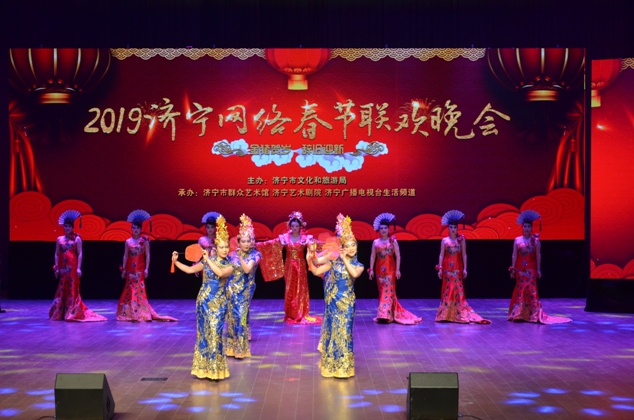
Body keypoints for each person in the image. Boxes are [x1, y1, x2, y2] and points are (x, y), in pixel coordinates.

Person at [172, 215, 235, 380]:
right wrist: (176, 262)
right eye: (221, 247)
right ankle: (203, 369)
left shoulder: (230, 265)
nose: (224, 250)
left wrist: (207, 260)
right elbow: (190, 270)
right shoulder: (208, 261)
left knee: (215, 334)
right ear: (216, 247)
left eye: (226, 247)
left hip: (219, 303)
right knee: (204, 334)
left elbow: (220, 273)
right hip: (203, 302)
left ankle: (216, 370)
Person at [308, 214, 364, 379]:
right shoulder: (333, 262)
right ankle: (332, 365)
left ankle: (344, 368)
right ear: (342, 247)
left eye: (353, 245)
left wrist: (344, 259)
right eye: (347, 246)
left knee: (344, 333)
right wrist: (310, 257)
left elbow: (354, 274)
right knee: (333, 332)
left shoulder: (359, 265)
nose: (351, 248)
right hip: (333, 302)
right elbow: (316, 270)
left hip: (347, 304)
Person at [256, 211, 321, 324]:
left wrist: (332, 245)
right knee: (290, 287)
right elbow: (271, 244)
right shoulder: (285, 238)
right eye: (293, 226)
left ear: (300, 227)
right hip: (289, 265)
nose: (294, 228)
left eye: (297, 226)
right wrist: (256, 245)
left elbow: (318, 245)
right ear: (290, 226)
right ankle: (291, 313)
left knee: (300, 287)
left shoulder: (305, 238)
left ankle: (300, 312)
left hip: (300, 265)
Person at [508, 210, 572, 324]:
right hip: (520, 269)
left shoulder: (535, 241)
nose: (526, 228)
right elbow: (514, 255)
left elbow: (538, 255)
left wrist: (538, 269)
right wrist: (513, 268)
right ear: (522, 227)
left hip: (531, 268)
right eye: (525, 226)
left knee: (531, 290)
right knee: (520, 289)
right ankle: (519, 314)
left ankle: (533, 314)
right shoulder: (517, 240)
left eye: (529, 226)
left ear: (531, 228)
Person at [116, 210, 177, 322]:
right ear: (131, 229)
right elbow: (125, 256)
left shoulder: (144, 241)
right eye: (134, 228)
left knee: (139, 291)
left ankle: (139, 313)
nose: (135, 230)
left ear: (141, 229)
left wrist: (146, 269)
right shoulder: (128, 242)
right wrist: (123, 269)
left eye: (137, 228)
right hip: (130, 270)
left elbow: (147, 256)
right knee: (130, 290)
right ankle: (130, 313)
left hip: (140, 269)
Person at [49, 210, 106, 322]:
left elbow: (80, 254)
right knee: (62, 288)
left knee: (72, 288)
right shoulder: (59, 239)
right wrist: (56, 267)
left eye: (69, 226)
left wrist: (79, 268)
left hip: (73, 266)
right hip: (63, 267)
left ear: (72, 227)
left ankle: (71, 312)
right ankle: (60, 312)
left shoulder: (77, 239)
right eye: (65, 226)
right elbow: (56, 254)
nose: (67, 228)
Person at [435, 210, 490, 324]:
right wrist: (440, 268)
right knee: (447, 289)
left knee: (457, 289)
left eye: (455, 227)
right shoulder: (444, 241)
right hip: (447, 268)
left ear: (457, 228)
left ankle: (458, 313)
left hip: (457, 268)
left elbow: (464, 254)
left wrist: (465, 268)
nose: (453, 229)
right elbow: (441, 255)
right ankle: (446, 314)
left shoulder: (461, 240)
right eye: (451, 227)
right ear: (448, 228)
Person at [368, 213, 421, 324]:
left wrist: (397, 270)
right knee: (382, 290)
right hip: (379, 269)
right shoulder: (375, 242)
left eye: (385, 228)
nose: (383, 230)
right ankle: (388, 313)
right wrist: (371, 269)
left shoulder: (392, 241)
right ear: (379, 230)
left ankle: (384, 315)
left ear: (389, 229)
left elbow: (398, 256)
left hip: (390, 269)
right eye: (381, 228)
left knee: (388, 290)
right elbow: (373, 256)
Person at [226, 214, 261, 359]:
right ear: (238, 242)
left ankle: (241, 350)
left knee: (241, 316)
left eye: (248, 241)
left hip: (246, 290)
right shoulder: (231, 255)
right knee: (232, 318)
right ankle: (231, 348)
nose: (246, 244)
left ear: (252, 242)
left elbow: (247, 270)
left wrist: (240, 257)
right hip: (231, 289)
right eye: (243, 241)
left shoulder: (256, 255)